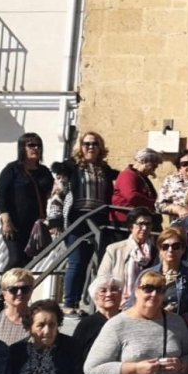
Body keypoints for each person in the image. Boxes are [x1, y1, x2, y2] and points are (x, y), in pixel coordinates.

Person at [59, 131, 117, 316]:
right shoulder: (71, 168)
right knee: (76, 261)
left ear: (101, 148)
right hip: (78, 218)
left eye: (94, 144)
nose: (90, 147)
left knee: (93, 263)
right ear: (80, 147)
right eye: (86, 144)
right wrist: (54, 221)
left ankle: (88, 304)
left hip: (99, 220)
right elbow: (57, 194)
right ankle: (69, 303)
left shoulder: (105, 170)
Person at [138, 227, 188, 338]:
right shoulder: (146, 275)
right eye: (165, 247)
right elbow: (133, 303)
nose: (170, 250)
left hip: (180, 333)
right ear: (159, 249)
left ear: (183, 249)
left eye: (176, 246)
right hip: (150, 331)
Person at [0, 131, 54, 269]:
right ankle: (3, 290)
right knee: (16, 259)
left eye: (39, 146)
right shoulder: (12, 169)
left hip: (34, 225)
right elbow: (1, 194)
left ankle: (19, 289)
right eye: (31, 145)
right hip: (15, 224)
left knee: (28, 263)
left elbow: (48, 193)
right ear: (22, 147)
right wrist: (5, 218)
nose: (36, 149)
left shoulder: (44, 171)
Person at [96, 207, 159, 302]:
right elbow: (102, 279)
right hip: (119, 303)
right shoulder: (115, 249)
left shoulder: (156, 251)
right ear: (130, 226)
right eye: (140, 224)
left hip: (146, 303)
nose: (144, 228)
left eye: (148, 224)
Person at [112, 148, 162, 225]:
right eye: (153, 165)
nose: (154, 169)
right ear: (143, 161)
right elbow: (132, 196)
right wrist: (155, 204)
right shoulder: (127, 175)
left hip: (141, 219)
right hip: (126, 220)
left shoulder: (142, 177)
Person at [156, 149, 188, 221]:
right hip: (180, 226)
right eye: (185, 164)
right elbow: (160, 205)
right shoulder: (171, 181)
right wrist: (178, 209)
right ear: (179, 168)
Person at [0, 267, 33, 345]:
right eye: (13, 289)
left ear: (31, 291)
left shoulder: (39, 321)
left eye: (25, 289)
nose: (19, 293)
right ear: (4, 294)